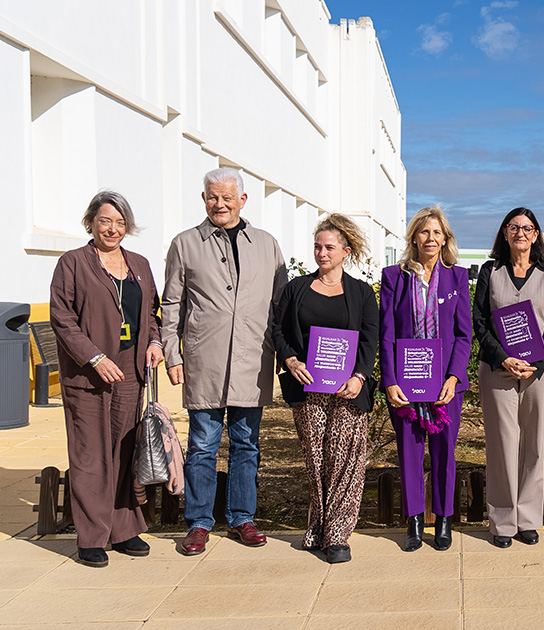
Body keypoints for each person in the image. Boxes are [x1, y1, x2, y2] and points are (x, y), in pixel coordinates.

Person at [162, 167, 287, 555]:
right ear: (203, 199)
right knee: (202, 445)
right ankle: (199, 522)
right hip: (205, 360)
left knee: (247, 444)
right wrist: (172, 352)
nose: (220, 204)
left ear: (242, 200)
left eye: (227, 198)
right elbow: (172, 304)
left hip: (253, 361)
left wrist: (286, 355)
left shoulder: (266, 244)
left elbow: (282, 305)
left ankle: (241, 517)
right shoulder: (185, 243)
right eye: (213, 197)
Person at [49, 191, 164, 568]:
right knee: (90, 454)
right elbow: (62, 318)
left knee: (125, 449)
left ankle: (124, 528)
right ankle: (92, 535)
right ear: (90, 223)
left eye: (119, 222)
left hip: (131, 370)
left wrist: (154, 342)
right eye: (105, 221)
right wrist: (94, 357)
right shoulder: (73, 263)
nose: (113, 228)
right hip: (89, 373)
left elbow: (151, 311)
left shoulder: (140, 265)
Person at [270, 214, 378, 563]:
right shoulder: (297, 288)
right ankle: (318, 527)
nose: (321, 253)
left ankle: (338, 535)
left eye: (329, 247)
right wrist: (290, 361)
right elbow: (278, 329)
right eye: (317, 247)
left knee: (345, 460)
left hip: (347, 390)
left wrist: (359, 376)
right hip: (308, 388)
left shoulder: (361, 292)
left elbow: (368, 339)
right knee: (316, 461)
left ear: (346, 251)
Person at [380, 205, 472, 552]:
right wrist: (390, 380)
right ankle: (414, 521)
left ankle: (444, 519)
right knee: (409, 452)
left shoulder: (457, 277)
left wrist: (454, 376)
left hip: (446, 385)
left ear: (445, 239)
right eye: (424, 232)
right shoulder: (394, 277)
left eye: (437, 233)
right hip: (405, 382)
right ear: (414, 237)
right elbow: (387, 334)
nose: (431, 238)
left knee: (445, 451)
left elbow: (464, 334)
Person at [474, 208, 544, 548]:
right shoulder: (490, 271)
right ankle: (503, 521)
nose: (520, 233)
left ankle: (527, 519)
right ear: (505, 232)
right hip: (498, 368)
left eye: (527, 228)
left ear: (536, 235)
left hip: (539, 371)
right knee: (503, 445)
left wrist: (535, 364)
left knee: (533, 446)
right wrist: (504, 358)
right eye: (514, 227)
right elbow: (480, 321)